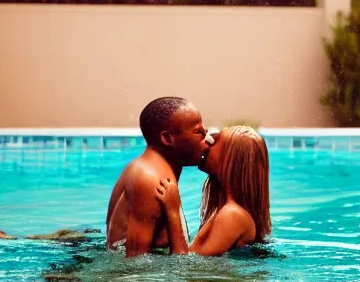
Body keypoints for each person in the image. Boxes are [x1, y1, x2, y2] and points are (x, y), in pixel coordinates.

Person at [106, 96, 214, 257]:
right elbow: (135, 265)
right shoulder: (151, 179)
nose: (209, 140)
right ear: (167, 139)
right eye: (199, 132)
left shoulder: (144, 167)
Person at [155, 125, 271, 256]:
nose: (208, 142)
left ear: (230, 161)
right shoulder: (227, 210)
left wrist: (172, 211)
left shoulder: (232, 215)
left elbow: (187, 268)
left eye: (217, 141)